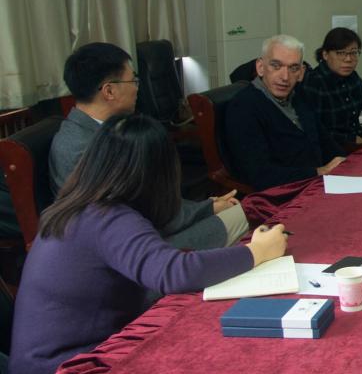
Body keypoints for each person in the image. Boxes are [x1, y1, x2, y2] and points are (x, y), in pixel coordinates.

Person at [9, 114, 289, 374]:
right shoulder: (106, 217)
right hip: (61, 373)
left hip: (52, 358)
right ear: (157, 173)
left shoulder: (81, 206)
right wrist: (256, 252)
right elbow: (173, 272)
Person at [49, 43, 247, 250]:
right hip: (131, 248)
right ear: (109, 91)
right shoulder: (79, 148)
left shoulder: (105, 129)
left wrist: (206, 207)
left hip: (150, 228)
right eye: (133, 80)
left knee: (239, 212)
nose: (137, 88)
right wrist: (205, 210)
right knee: (245, 216)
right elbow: (137, 214)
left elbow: (148, 200)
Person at [224, 34, 345, 190]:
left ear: (301, 73)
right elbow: (260, 175)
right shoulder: (243, 107)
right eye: (276, 66)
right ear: (260, 67)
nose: (285, 77)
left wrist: (346, 163)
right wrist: (319, 172)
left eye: (293, 68)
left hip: (319, 184)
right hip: (285, 194)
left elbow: (325, 141)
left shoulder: (299, 95)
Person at [300, 27, 362, 151]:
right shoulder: (314, 82)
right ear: (325, 55)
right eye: (341, 53)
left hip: (359, 143)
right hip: (334, 151)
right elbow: (316, 131)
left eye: (353, 53)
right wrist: (352, 139)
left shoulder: (352, 76)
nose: (348, 59)